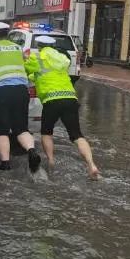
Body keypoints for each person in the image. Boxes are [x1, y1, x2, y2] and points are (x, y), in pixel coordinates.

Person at [25, 36, 100, 179]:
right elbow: (47, 75)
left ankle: (51, 162)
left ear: (39, 46)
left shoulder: (37, 58)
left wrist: (25, 59)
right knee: (77, 135)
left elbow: (26, 70)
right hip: (70, 98)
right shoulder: (61, 59)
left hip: (51, 100)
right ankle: (91, 165)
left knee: (46, 133)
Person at [0, 22, 41, 172]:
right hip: (22, 90)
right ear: (7, 34)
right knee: (21, 128)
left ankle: (5, 164)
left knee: (2, 130)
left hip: (2, 91)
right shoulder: (17, 48)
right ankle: (31, 151)